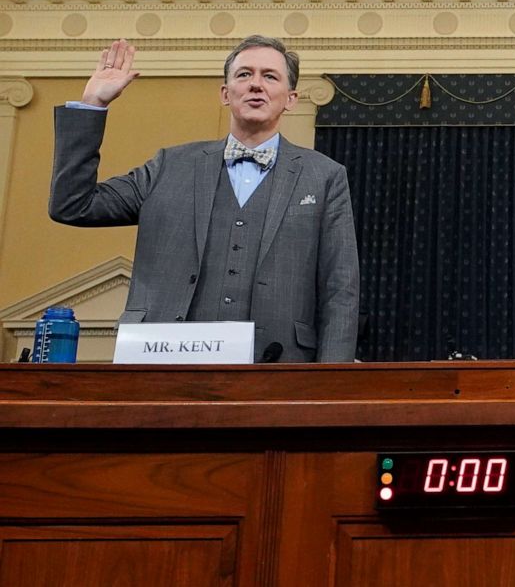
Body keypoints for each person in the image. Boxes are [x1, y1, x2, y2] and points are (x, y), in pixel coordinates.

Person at [49, 36, 359, 362]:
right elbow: (73, 204)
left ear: (291, 99)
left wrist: (330, 381)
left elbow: (340, 289)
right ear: (225, 94)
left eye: (270, 76)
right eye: (243, 75)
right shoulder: (169, 165)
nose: (256, 84)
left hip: (277, 370)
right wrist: (92, 106)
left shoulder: (324, 176)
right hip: (165, 365)